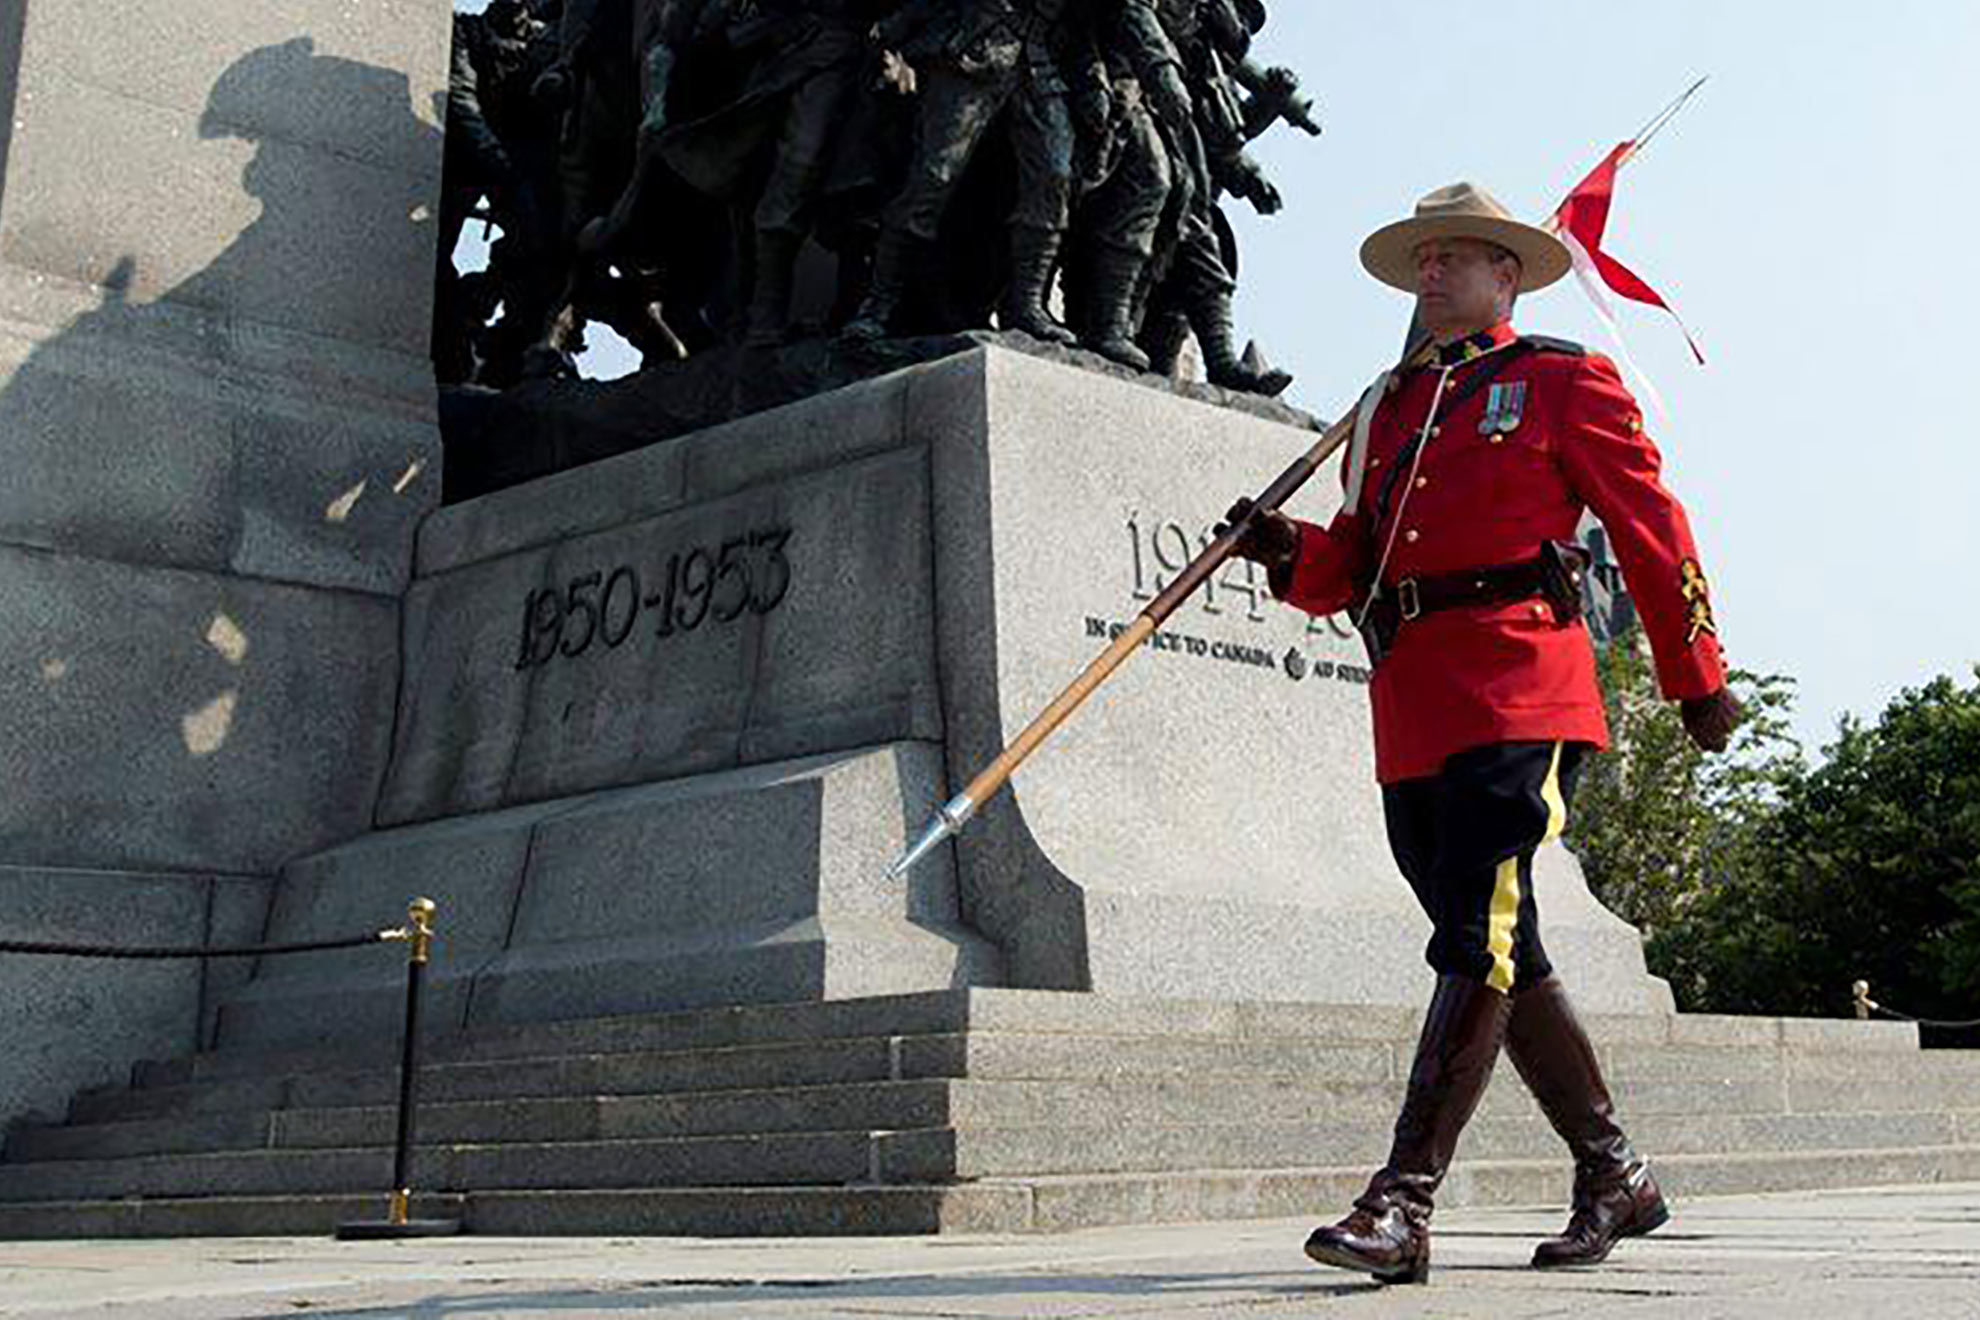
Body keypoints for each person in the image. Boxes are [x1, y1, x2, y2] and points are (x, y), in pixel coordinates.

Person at [1222, 181, 1743, 1283]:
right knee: (1498, 937)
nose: (1434, 274)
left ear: (1507, 275)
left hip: (1520, 681)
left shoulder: (1560, 379)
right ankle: (1615, 1172)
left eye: (1456, 257)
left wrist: (1694, 673)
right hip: (1414, 698)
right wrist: (1284, 552)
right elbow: (1357, 564)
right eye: (1424, 259)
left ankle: (1401, 1204)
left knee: (1478, 937)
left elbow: (1654, 528)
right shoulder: (1391, 407)